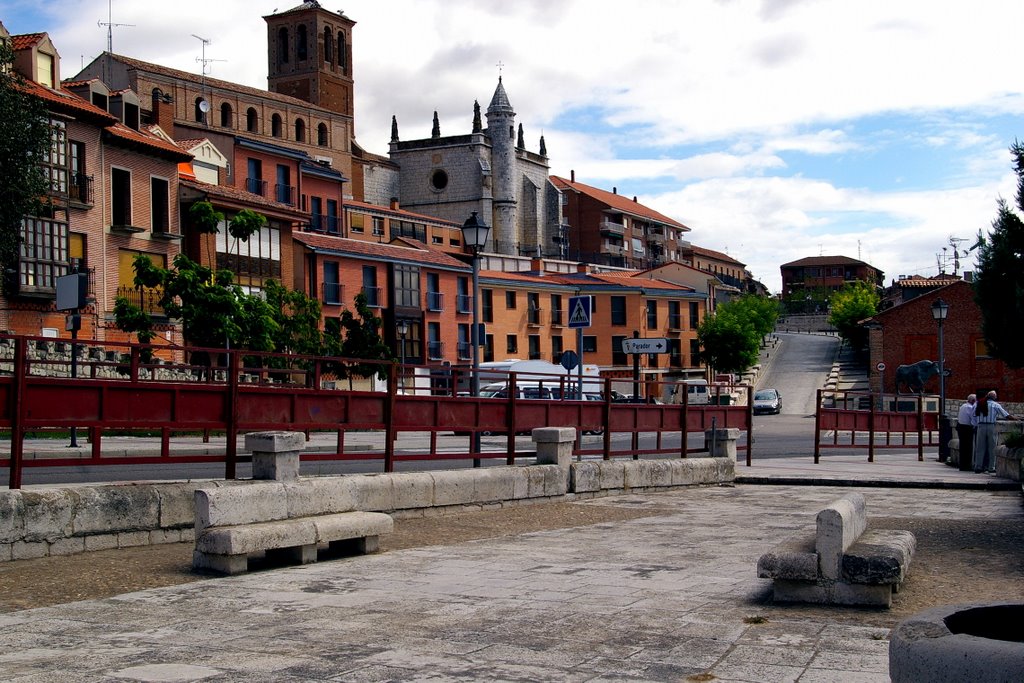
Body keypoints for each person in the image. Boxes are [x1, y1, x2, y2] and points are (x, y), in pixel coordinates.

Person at [973, 390, 1018, 474]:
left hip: (980, 426)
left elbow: (974, 415)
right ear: (994, 397)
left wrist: (976, 424)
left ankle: (978, 466)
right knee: (992, 447)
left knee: (980, 447)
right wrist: (1016, 419)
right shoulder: (995, 405)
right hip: (991, 426)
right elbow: (1006, 415)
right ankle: (991, 467)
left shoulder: (979, 403)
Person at [955, 394, 976, 472]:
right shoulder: (970, 408)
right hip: (967, 428)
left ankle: (962, 465)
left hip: (960, 427)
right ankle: (967, 466)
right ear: (973, 401)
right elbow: (973, 418)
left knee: (962, 447)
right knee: (968, 448)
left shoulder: (963, 406)